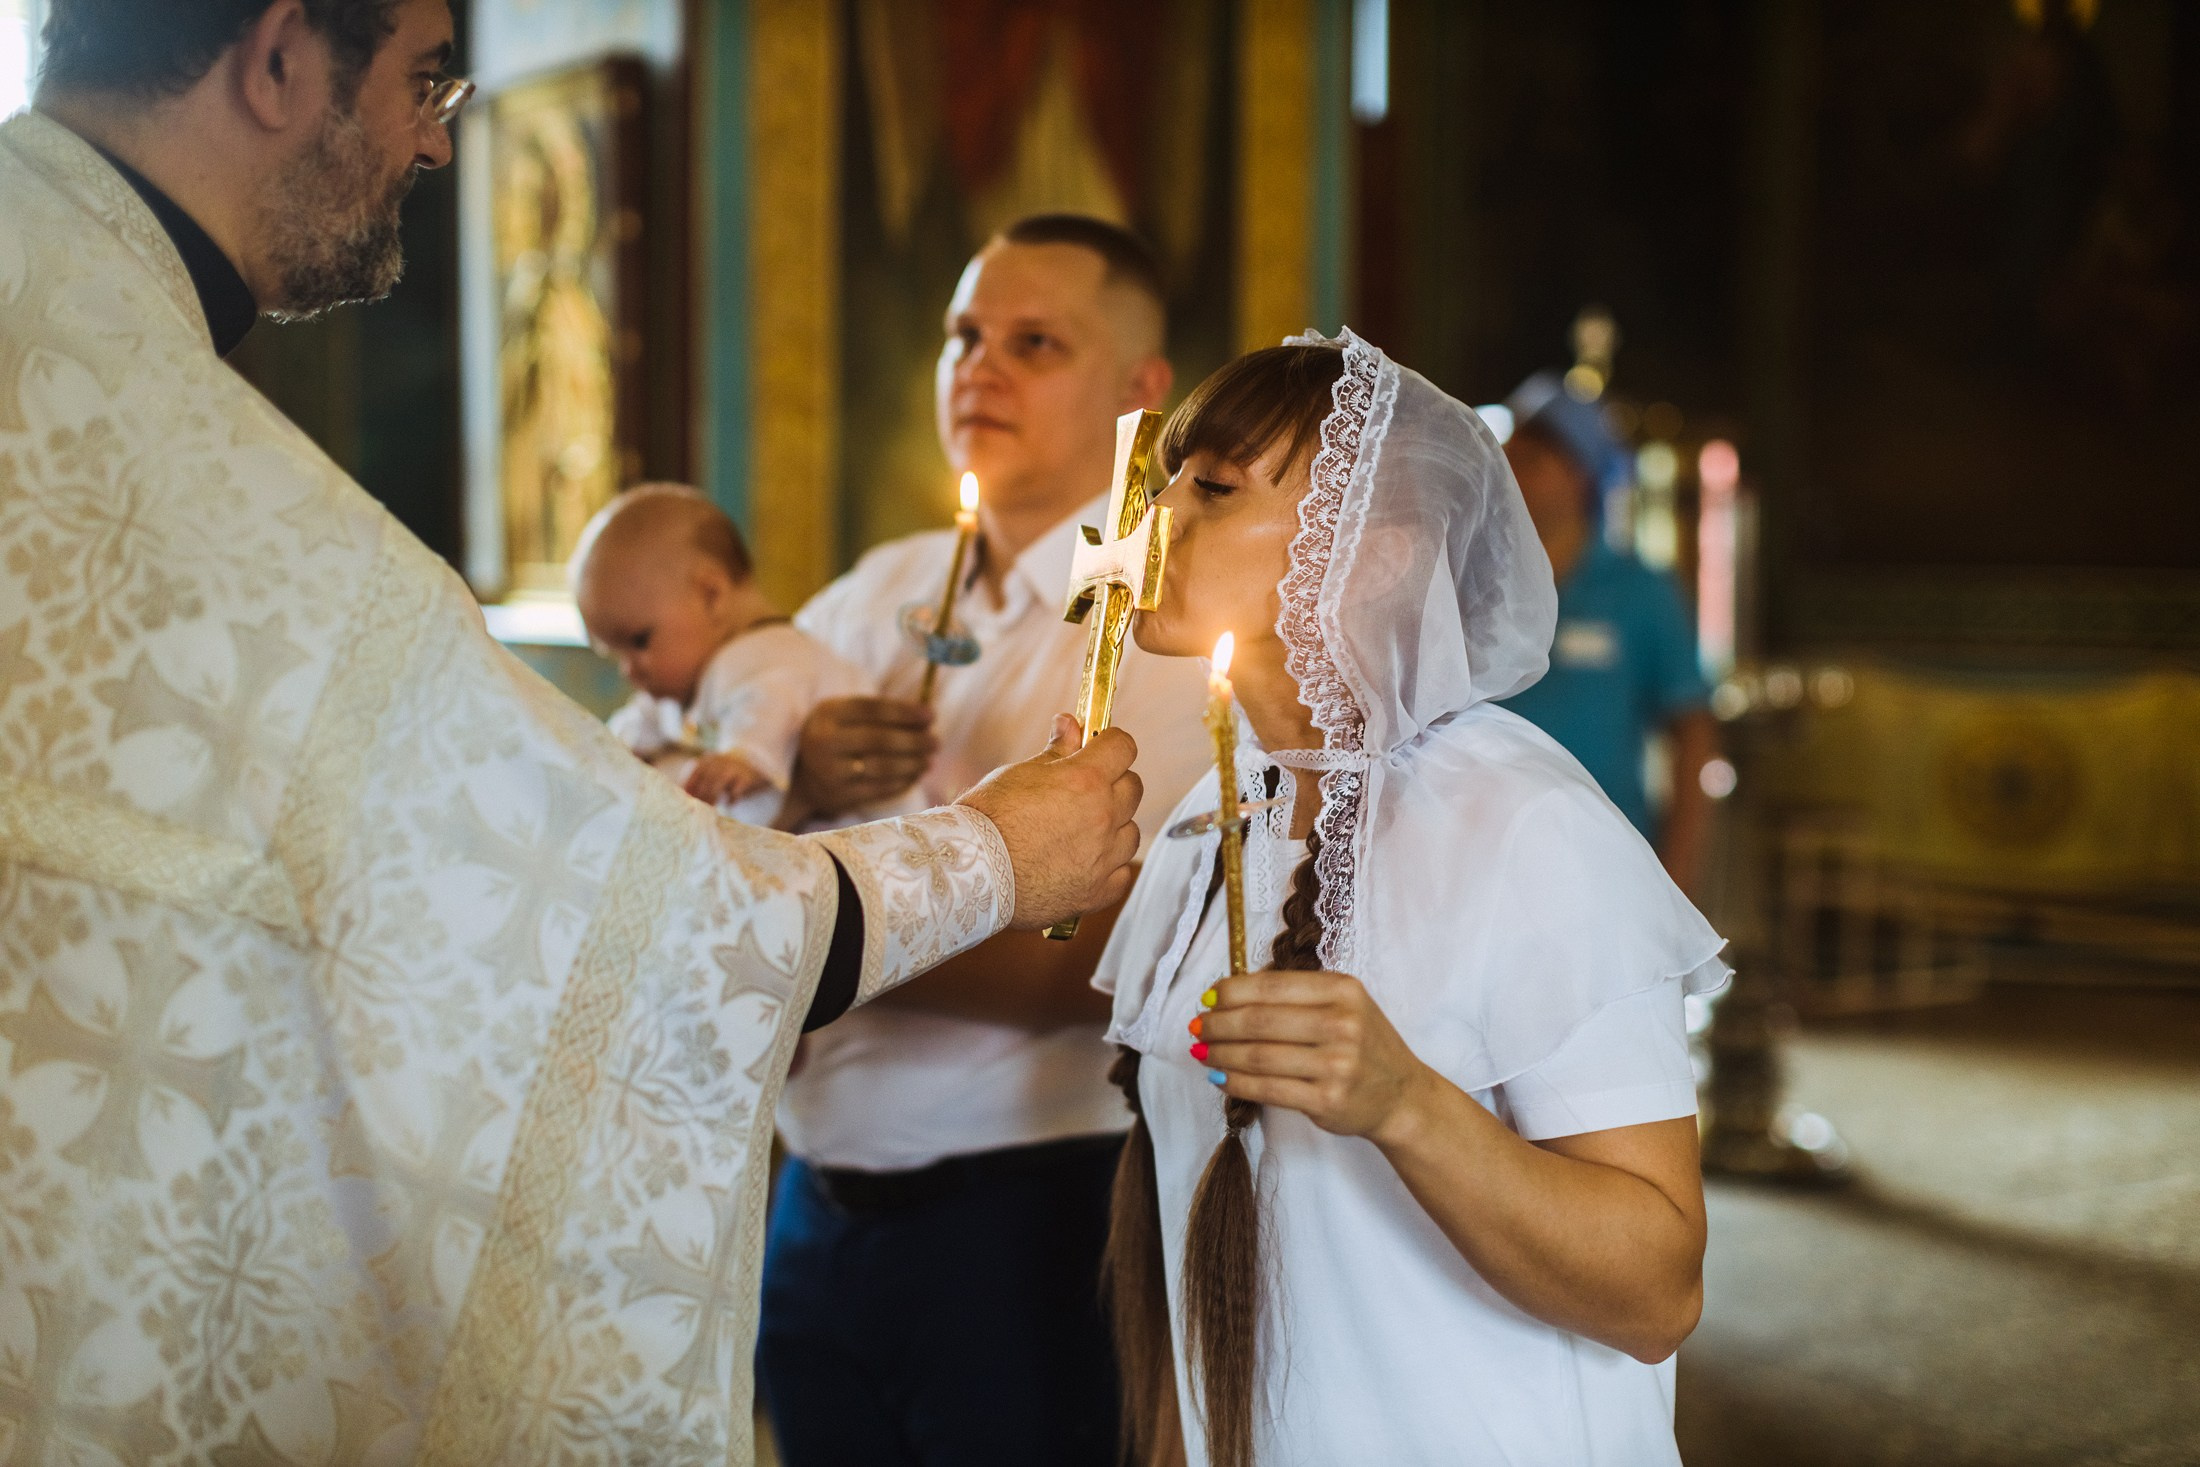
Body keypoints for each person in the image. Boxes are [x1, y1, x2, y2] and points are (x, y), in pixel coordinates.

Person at [0, 5, 1147, 1463]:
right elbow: (612, 911)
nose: (437, 134)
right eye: (424, 77)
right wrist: (999, 848)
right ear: (281, 57)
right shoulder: (206, 489)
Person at [1096, 333, 1730, 1466]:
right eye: (1165, 481)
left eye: (1214, 488)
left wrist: (1406, 1105)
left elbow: (1656, 1289)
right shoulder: (1209, 817)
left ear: (1377, 554)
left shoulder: (1521, 825)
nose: (1153, 520)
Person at [756, 217, 1215, 1465]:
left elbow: (1090, 964)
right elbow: (718, 805)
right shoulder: (875, 590)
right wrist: (795, 788)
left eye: (1033, 342)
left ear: (1137, 390)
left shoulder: (1162, 625)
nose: (980, 367)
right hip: (813, 1192)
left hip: (1020, 1208)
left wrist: (780, 939)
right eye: (964, 335)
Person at [1495, 374, 1717, 894]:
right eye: (1505, 457)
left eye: (1530, 461)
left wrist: (1676, 883)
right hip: (1492, 870)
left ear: (1581, 477)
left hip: (1607, 874)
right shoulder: (1474, 587)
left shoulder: (1641, 592)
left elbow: (1695, 735)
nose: (1508, 474)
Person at [575, 484, 879, 826]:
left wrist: (744, 757)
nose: (629, 670)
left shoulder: (769, 653)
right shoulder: (693, 676)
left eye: (639, 641)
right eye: (616, 654)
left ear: (711, 595)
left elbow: (770, 702)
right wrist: (614, 748)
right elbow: (650, 717)